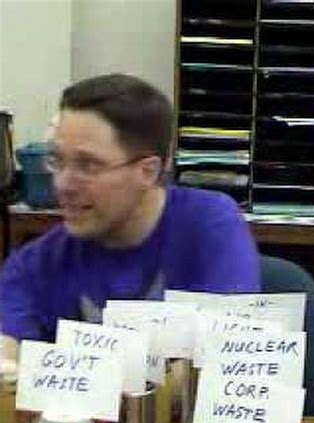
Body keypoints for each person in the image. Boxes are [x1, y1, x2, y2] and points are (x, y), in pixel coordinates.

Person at [0, 73, 260, 363]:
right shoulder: (36, 264)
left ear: (148, 171)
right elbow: (7, 351)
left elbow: (223, 358)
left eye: (89, 165)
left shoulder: (209, 225)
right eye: (57, 161)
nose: (63, 184)